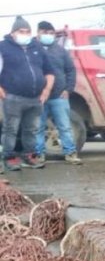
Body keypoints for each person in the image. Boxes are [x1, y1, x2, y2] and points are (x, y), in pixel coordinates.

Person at [0, 16, 54, 172]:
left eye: (27, 31)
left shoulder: (37, 47)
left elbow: (49, 71)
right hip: (13, 97)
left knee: (32, 129)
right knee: (10, 129)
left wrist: (46, 90)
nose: (25, 34)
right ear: (13, 33)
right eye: (21, 31)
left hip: (35, 98)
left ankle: (29, 155)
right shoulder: (3, 47)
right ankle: (9, 157)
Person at [33, 21, 82, 165]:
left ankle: (70, 153)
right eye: (44, 32)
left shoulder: (61, 51)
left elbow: (71, 70)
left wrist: (68, 89)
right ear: (38, 33)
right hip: (38, 97)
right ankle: (38, 154)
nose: (48, 35)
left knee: (65, 126)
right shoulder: (31, 50)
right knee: (38, 127)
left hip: (59, 96)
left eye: (50, 33)